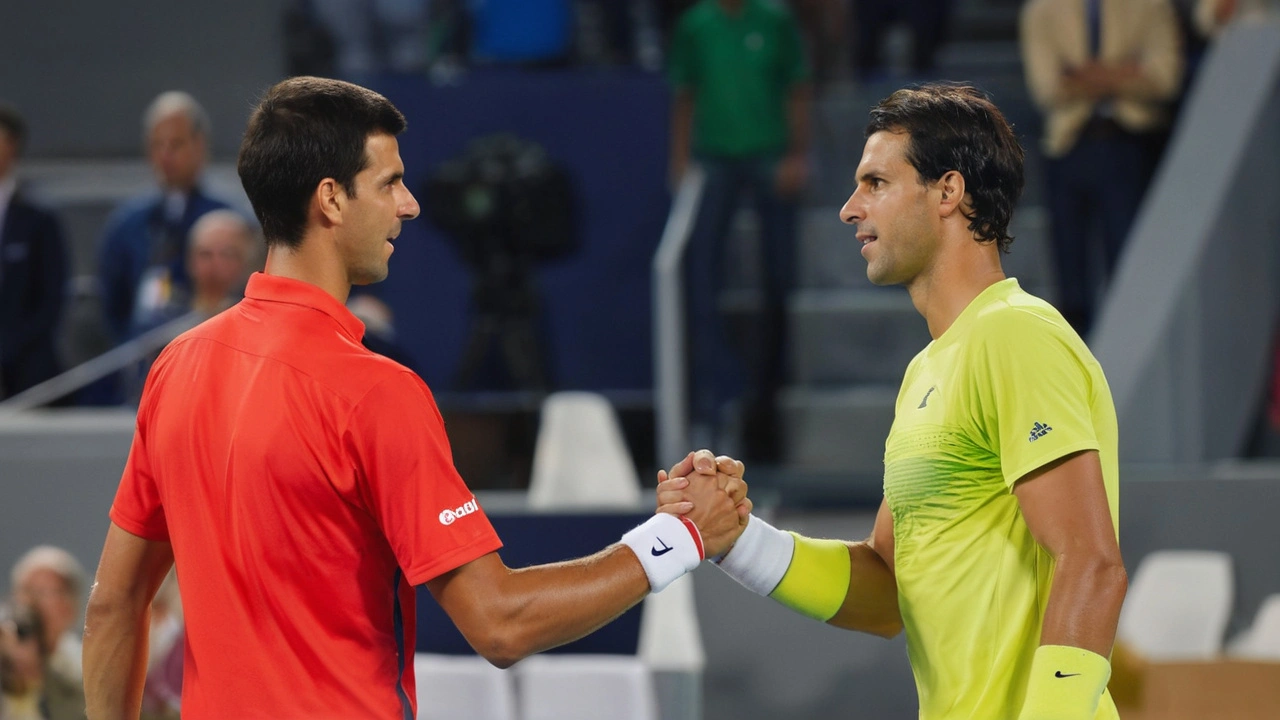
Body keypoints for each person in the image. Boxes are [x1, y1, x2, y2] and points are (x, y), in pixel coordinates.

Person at [83, 76, 750, 720]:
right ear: (331, 201)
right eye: (390, 183)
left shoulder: (175, 368)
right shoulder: (376, 393)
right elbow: (500, 624)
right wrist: (679, 537)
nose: (410, 205)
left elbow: (114, 605)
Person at [661, 84, 1129, 719]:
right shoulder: (930, 368)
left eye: (875, 182)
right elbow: (887, 593)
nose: (850, 209)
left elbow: (1092, 564)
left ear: (948, 192)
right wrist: (735, 540)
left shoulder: (1015, 336)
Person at [668, 0, 812, 461]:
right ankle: (715, 395)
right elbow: (685, 93)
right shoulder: (697, 24)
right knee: (701, 277)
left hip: (769, 154)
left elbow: (797, 87)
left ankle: (767, 404)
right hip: (714, 158)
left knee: (779, 278)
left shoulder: (775, 19)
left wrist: (795, 155)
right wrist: (681, 161)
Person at [1021, 0, 1183, 337]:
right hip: (1067, 147)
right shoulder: (1042, 9)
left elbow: (1166, 78)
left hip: (1130, 146)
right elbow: (1048, 88)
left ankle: (1127, 350)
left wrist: (1083, 77)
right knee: (1071, 279)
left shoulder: (1151, 5)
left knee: (1129, 269)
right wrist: (1126, 71)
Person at [96, 91, 231, 346]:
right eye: (158, 145)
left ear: (199, 144)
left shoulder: (227, 222)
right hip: (142, 361)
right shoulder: (127, 224)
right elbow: (112, 305)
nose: (165, 155)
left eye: (176, 144)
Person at [0, 104, 70, 402]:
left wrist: (8, 349)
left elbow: (51, 300)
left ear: (13, 144)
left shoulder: (39, 218)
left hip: (27, 369)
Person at [9, 546, 87, 685]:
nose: (32, 602)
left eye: (48, 592)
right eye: (28, 590)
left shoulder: (83, 669)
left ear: (71, 607)